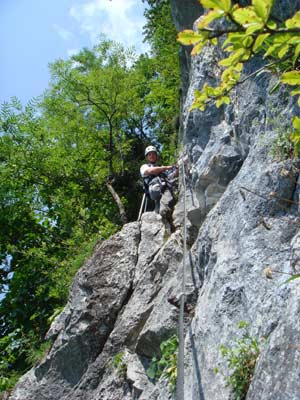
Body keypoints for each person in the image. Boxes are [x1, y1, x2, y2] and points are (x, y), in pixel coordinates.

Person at [140, 145, 178, 215]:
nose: (152, 156)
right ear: (147, 157)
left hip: (164, 189)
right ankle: (164, 213)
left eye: (154, 154)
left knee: (162, 206)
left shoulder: (161, 168)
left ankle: (162, 214)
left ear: (156, 156)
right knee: (164, 207)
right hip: (155, 189)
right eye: (149, 154)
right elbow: (150, 171)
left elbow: (170, 176)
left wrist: (177, 169)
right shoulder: (144, 166)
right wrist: (166, 167)